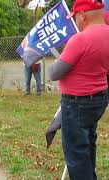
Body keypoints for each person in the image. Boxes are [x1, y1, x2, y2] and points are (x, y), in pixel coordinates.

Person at [48, 0, 109, 179]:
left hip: (77, 103)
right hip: (99, 98)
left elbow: (54, 73)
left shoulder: (80, 39)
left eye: (74, 18)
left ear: (82, 15)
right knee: (88, 143)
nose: (75, 21)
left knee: (76, 152)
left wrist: (57, 61)